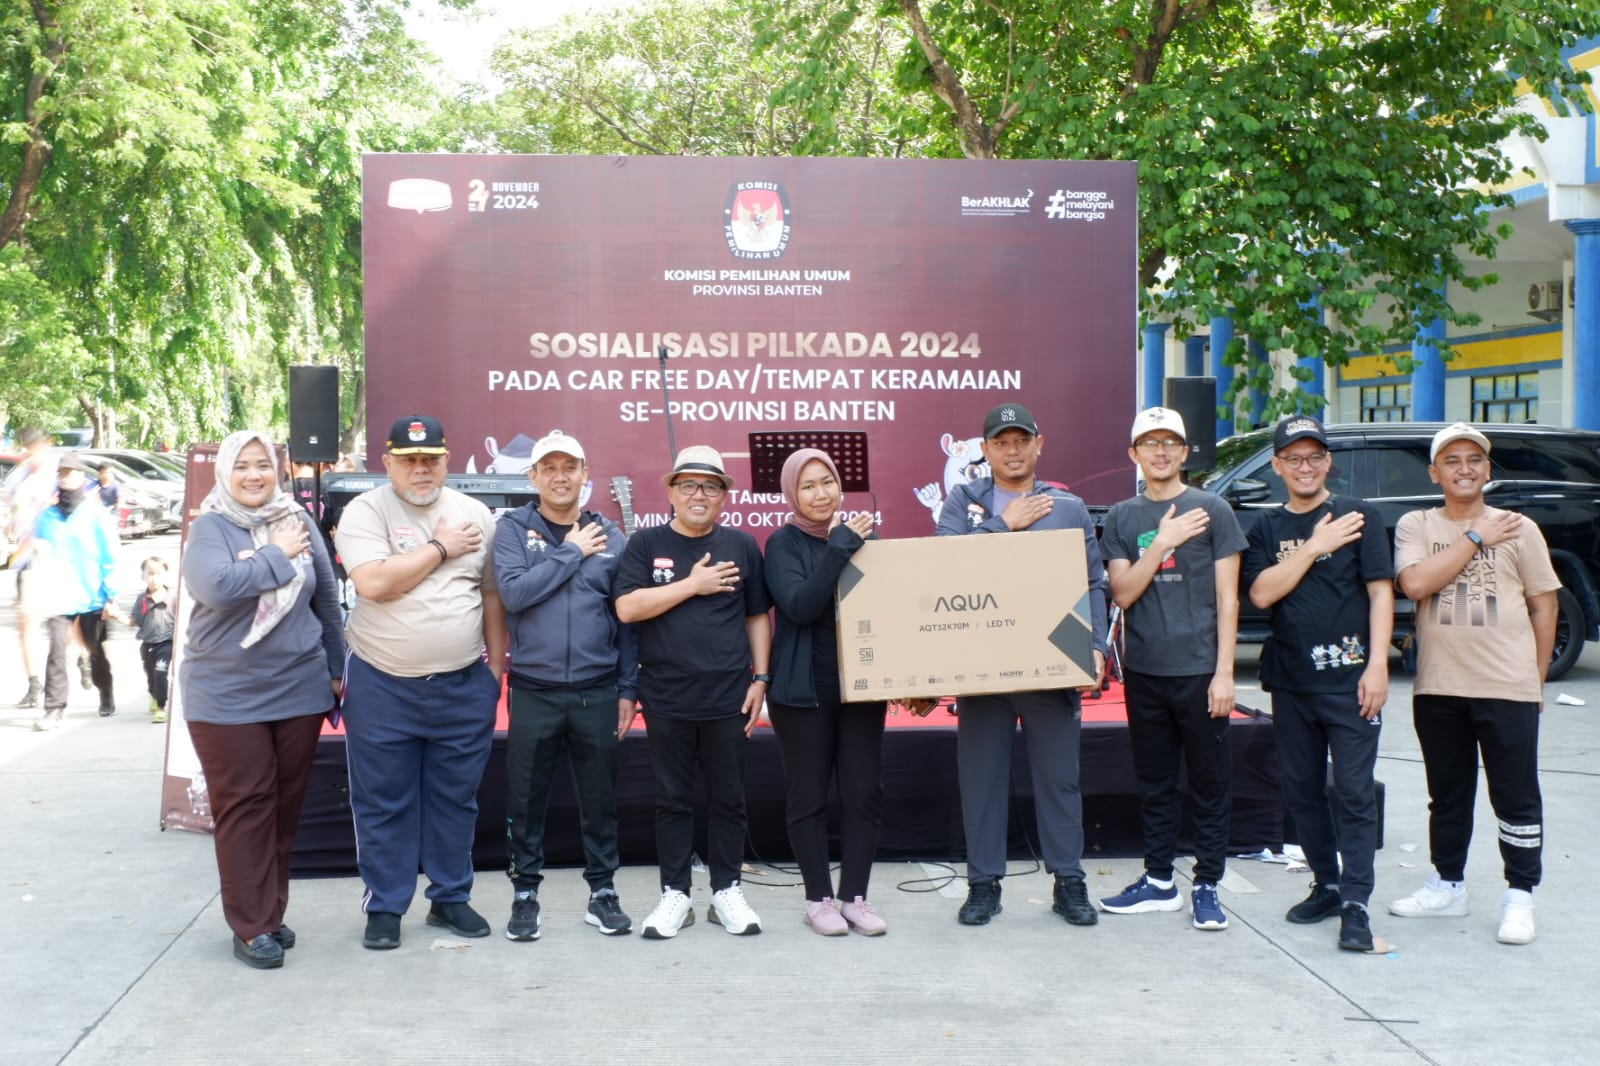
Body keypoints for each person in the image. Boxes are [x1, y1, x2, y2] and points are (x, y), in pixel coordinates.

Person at [335, 414, 507, 950]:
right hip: (383, 682)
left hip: (462, 684)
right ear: (386, 462)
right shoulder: (365, 511)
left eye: (430, 458)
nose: (420, 468)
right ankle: (385, 906)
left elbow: (491, 595)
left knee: (457, 799)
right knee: (383, 800)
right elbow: (375, 582)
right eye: (408, 459)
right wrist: (438, 548)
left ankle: (451, 898)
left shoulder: (476, 514)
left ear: (446, 459)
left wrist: (495, 671)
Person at [935, 402, 1109, 929]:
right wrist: (1001, 525)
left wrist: (1096, 645)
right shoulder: (963, 503)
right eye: (1000, 442)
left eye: (1021, 440)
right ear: (985, 450)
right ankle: (983, 885)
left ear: (1039, 444)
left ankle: (1069, 881)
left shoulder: (1068, 507)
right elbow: (941, 570)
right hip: (983, 666)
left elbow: (1092, 582)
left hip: (1049, 664)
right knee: (981, 779)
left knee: (1059, 779)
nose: (1012, 450)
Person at [1387, 423, 1559, 946]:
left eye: (1474, 459)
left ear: (1487, 470)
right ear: (1434, 472)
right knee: (1449, 794)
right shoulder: (1417, 523)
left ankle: (1520, 895)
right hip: (1439, 685)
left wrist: (1536, 676)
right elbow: (1415, 583)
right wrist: (1477, 537)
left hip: (1507, 685)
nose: (1465, 468)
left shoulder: (1520, 527)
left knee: (1516, 796)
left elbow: (1543, 602)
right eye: (1452, 460)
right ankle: (1447, 884)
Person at [179, 430, 345, 969]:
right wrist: (275, 555)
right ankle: (249, 926)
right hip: (226, 694)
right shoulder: (211, 527)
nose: (254, 475)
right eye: (243, 465)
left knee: (283, 807)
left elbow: (325, 597)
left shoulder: (297, 520)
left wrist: (337, 669)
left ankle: (269, 913)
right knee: (246, 805)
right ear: (225, 472)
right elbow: (218, 588)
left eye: (263, 465)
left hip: (297, 688)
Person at [1243, 415, 1392, 953]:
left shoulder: (1360, 516)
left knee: (1354, 793)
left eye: (1314, 457)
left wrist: (1378, 665)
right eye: (1293, 458)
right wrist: (1313, 544)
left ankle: (1356, 902)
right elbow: (1261, 594)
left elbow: (1380, 593)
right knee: (1303, 792)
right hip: (1291, 682)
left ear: (1328, 462)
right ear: (1279, 466)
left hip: (1352, 683)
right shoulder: (1265, 528)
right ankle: (1325, 884)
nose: (1304, 467)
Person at [613, 445, 772, 939]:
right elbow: (628, 609)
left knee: (729, 798)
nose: (698, 495)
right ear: (671, 492)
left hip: (729, 695)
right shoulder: (645, 543)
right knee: (673, 799)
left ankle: (726, 890)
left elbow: (756, 617)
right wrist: (693, 583)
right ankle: (675, 895)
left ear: (724, 495)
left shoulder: (743, 545)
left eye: (709, 486)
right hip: (665, 695)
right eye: (688, 485)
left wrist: (761, 679)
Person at [1099, 407, 1247, 931]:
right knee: (1156, 781)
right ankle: (1159, 881)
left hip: (1201, 671)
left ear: (1185, 452)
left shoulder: (1212, 509)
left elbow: (1230, 600)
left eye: (1170, 443)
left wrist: (1225, 672)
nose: (1160, 452)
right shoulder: (1122, 516)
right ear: (1133, 454)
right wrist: (1161, 542)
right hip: (1146, 672)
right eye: (1149, 443)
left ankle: (1207, 884)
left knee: (1209, 783)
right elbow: (1122, 592)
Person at [494, 430, 638, 940]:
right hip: (534, 690)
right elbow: (513, 594)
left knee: (599, 799)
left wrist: (626, 689)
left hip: (596, 691)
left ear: (584, 474)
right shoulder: (513, 528)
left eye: (569, 467)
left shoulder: (612, 536)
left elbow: (625, 621)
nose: (560, 476)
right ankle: (525, 894)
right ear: (532, 477)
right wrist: (570, 553)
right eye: (548, 468)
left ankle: (602, 893)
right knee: (526, 801)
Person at [763, 447, 887, 936]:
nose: (821, 493)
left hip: (861, 686)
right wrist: (840, 545)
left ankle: (855, 896)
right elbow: (800, 605)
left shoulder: (865, 540)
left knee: (863, 793)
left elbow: (893, 607)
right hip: (803, 692)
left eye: (828, 482)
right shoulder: (783, 543)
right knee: (808, 796)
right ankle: (819, 899)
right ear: (793, 492)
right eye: (808, 485)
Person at [30, 453, 121, 729]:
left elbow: (110, 554)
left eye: (72, 472)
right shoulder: (47, 517)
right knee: (56, 651)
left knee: (95, 650)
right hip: (59, 596)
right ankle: (54, 708)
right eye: (62, 472)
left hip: (92, 593)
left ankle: (105, 691)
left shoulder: (95, 514)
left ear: (82, 477)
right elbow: (40, 552)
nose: (66, 476)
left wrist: (112, 594)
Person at [6, 427, 55, 708]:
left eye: (34, 446)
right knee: (26, 620)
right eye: (26, 447)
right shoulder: (20, 475)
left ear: (46, 445)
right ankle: (34, 683)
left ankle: (86, 660)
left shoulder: (61, 473)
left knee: (67, 622)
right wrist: (12, 525)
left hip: (57, 556)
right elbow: (11, 503)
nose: (29, 452)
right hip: (27, 557)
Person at [130, 556, 176, 724]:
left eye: (158, 573)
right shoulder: (142, 599)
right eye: (150, 573)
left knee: (160, 673)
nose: (154, 577)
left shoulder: (173, 597)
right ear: (143, 575)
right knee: (151, 677)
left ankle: (161, 708)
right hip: (147, 644)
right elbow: (134, 621)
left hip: (167, 642)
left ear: (165, 575)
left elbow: (183, 619)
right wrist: (115, 616)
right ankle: (155, 696)